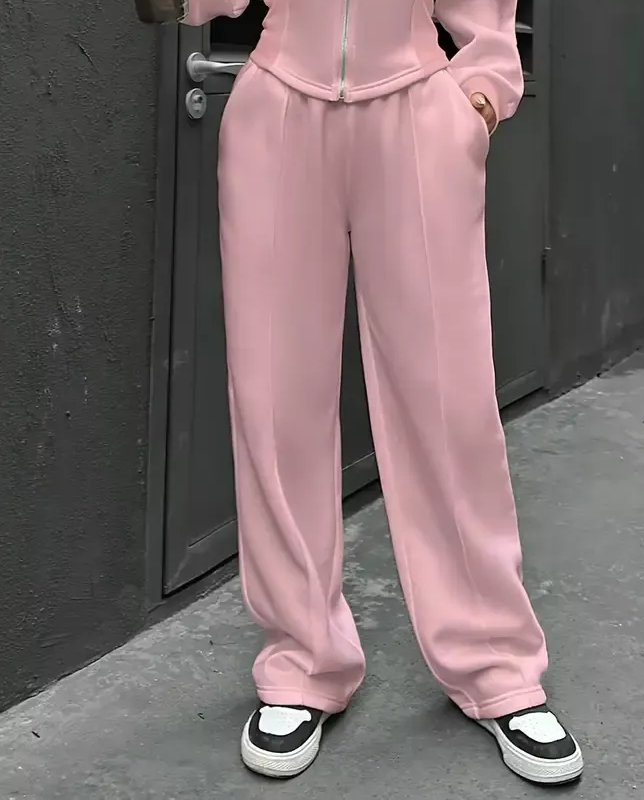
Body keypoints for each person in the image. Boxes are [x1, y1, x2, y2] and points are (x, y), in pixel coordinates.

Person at [173, 0, 582, 785]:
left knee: (451, 404)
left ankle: (495, 662)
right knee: (274, 401)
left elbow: (485, 17)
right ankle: (302, 658)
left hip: (417, 113)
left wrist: (477, 97)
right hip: (277, 111)